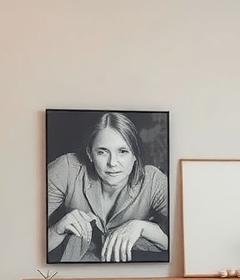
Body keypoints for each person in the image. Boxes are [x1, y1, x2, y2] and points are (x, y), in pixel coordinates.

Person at [47, 112, 168, 262]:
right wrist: (56, 230)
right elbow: (25, 242)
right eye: (102, 152)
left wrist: (140, 227)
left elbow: (185, 239)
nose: (112, 163)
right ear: (90, 154)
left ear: (135, 155)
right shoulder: (66, 169)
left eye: (122, 151)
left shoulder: (153, 180)